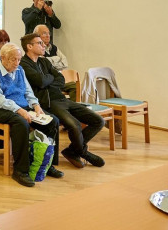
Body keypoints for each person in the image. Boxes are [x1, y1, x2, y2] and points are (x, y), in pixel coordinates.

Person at [20, 33, 105, 169]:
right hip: (48, 103)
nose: (44, 45)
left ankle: (73, 151)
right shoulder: (24, 64)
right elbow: (40, 82)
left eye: (43, 43)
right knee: (74, 124)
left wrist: (48, 80)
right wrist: (49, 79)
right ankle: (82, 152)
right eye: (40, 43)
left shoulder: (45, 61)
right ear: (29, 46)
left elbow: (61, 79)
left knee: (99, 121)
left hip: (62, 99)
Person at [0, 43, 63, 187]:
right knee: (21, 123)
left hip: (21, 106)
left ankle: (46, 163)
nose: (17, 63)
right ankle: (20, 171)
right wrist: (19, 110)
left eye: (19, 59)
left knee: (53, 121)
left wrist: (36, 106)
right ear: (3, 58)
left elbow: (28, 91)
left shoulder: (19, 70)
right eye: (13, 59)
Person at [34, 25, 75, 99]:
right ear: (37, 36)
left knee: (74, 86)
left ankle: (74, 108)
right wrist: (57, 59)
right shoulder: (36, 49)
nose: (48, 36)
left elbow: (65, 63)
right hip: (47, 82)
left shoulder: (54, 48)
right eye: (44, 33)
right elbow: (43, 63)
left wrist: (48, 60)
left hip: (58, 79)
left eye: (48, 33)